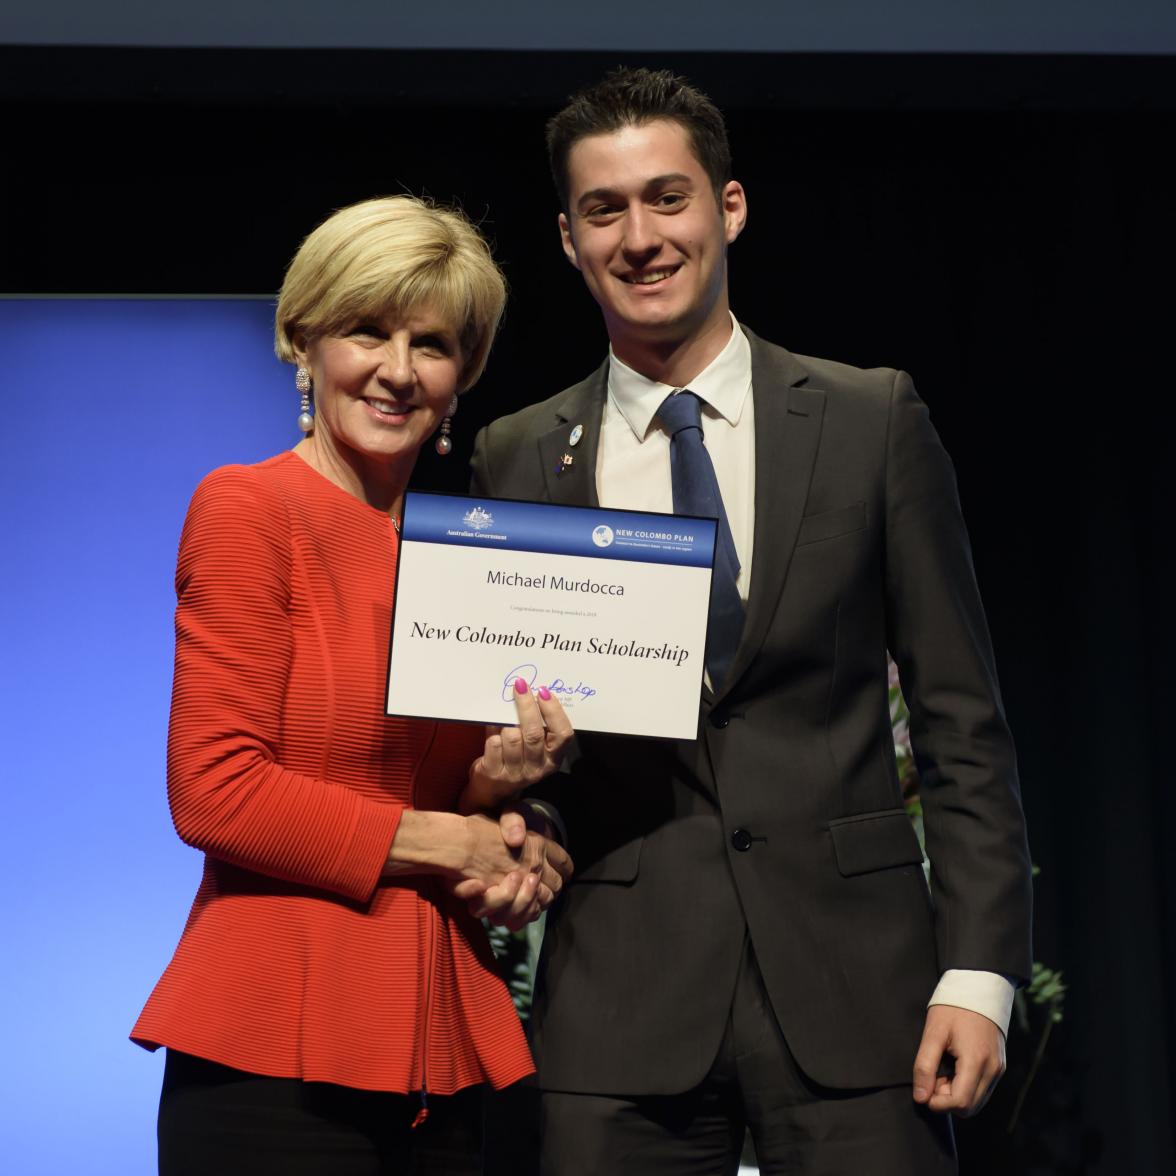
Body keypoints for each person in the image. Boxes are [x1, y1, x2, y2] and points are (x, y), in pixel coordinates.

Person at [470, 69, 1033, 1174]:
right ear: (569, 240)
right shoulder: (520, 453)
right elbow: (528, 738)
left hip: (859, 999)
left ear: (729, 208)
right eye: (604, 210)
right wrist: (514, 793)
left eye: (667, 198)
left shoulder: (870, 419)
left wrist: (981, 974)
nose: (640, 236)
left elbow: (962, 719)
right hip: (623, 1005)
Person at [131, 195, 574, 1176]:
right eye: (366, 332)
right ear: (304, 343)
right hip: (273, 1049)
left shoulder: (469, 551)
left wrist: (513, 823)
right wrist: (446, 839)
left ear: (463, 377)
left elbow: (444, 787)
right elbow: (215, 788)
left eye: (432, 344)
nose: (397, 370)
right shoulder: (248, 508)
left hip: (441, 1043)